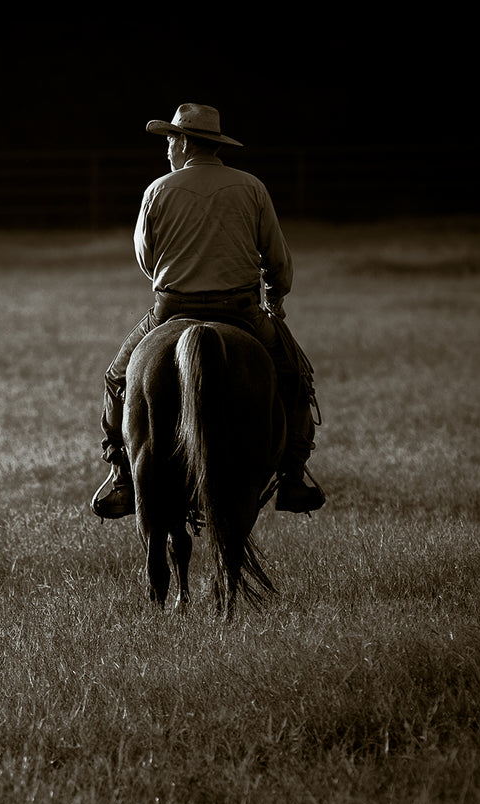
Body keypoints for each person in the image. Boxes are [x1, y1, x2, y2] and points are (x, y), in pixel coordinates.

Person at [90, 103, 325, 519]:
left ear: (183, 142)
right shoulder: (251, 187)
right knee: (295, 378)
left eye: (169, 140)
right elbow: (277, 257)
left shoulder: (158, 190)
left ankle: (122, 476)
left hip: (171, 308)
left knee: (117, 377)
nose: (166, 149)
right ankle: (292, 476)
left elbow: (146, 258)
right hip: (241, 309)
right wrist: (276, 294)